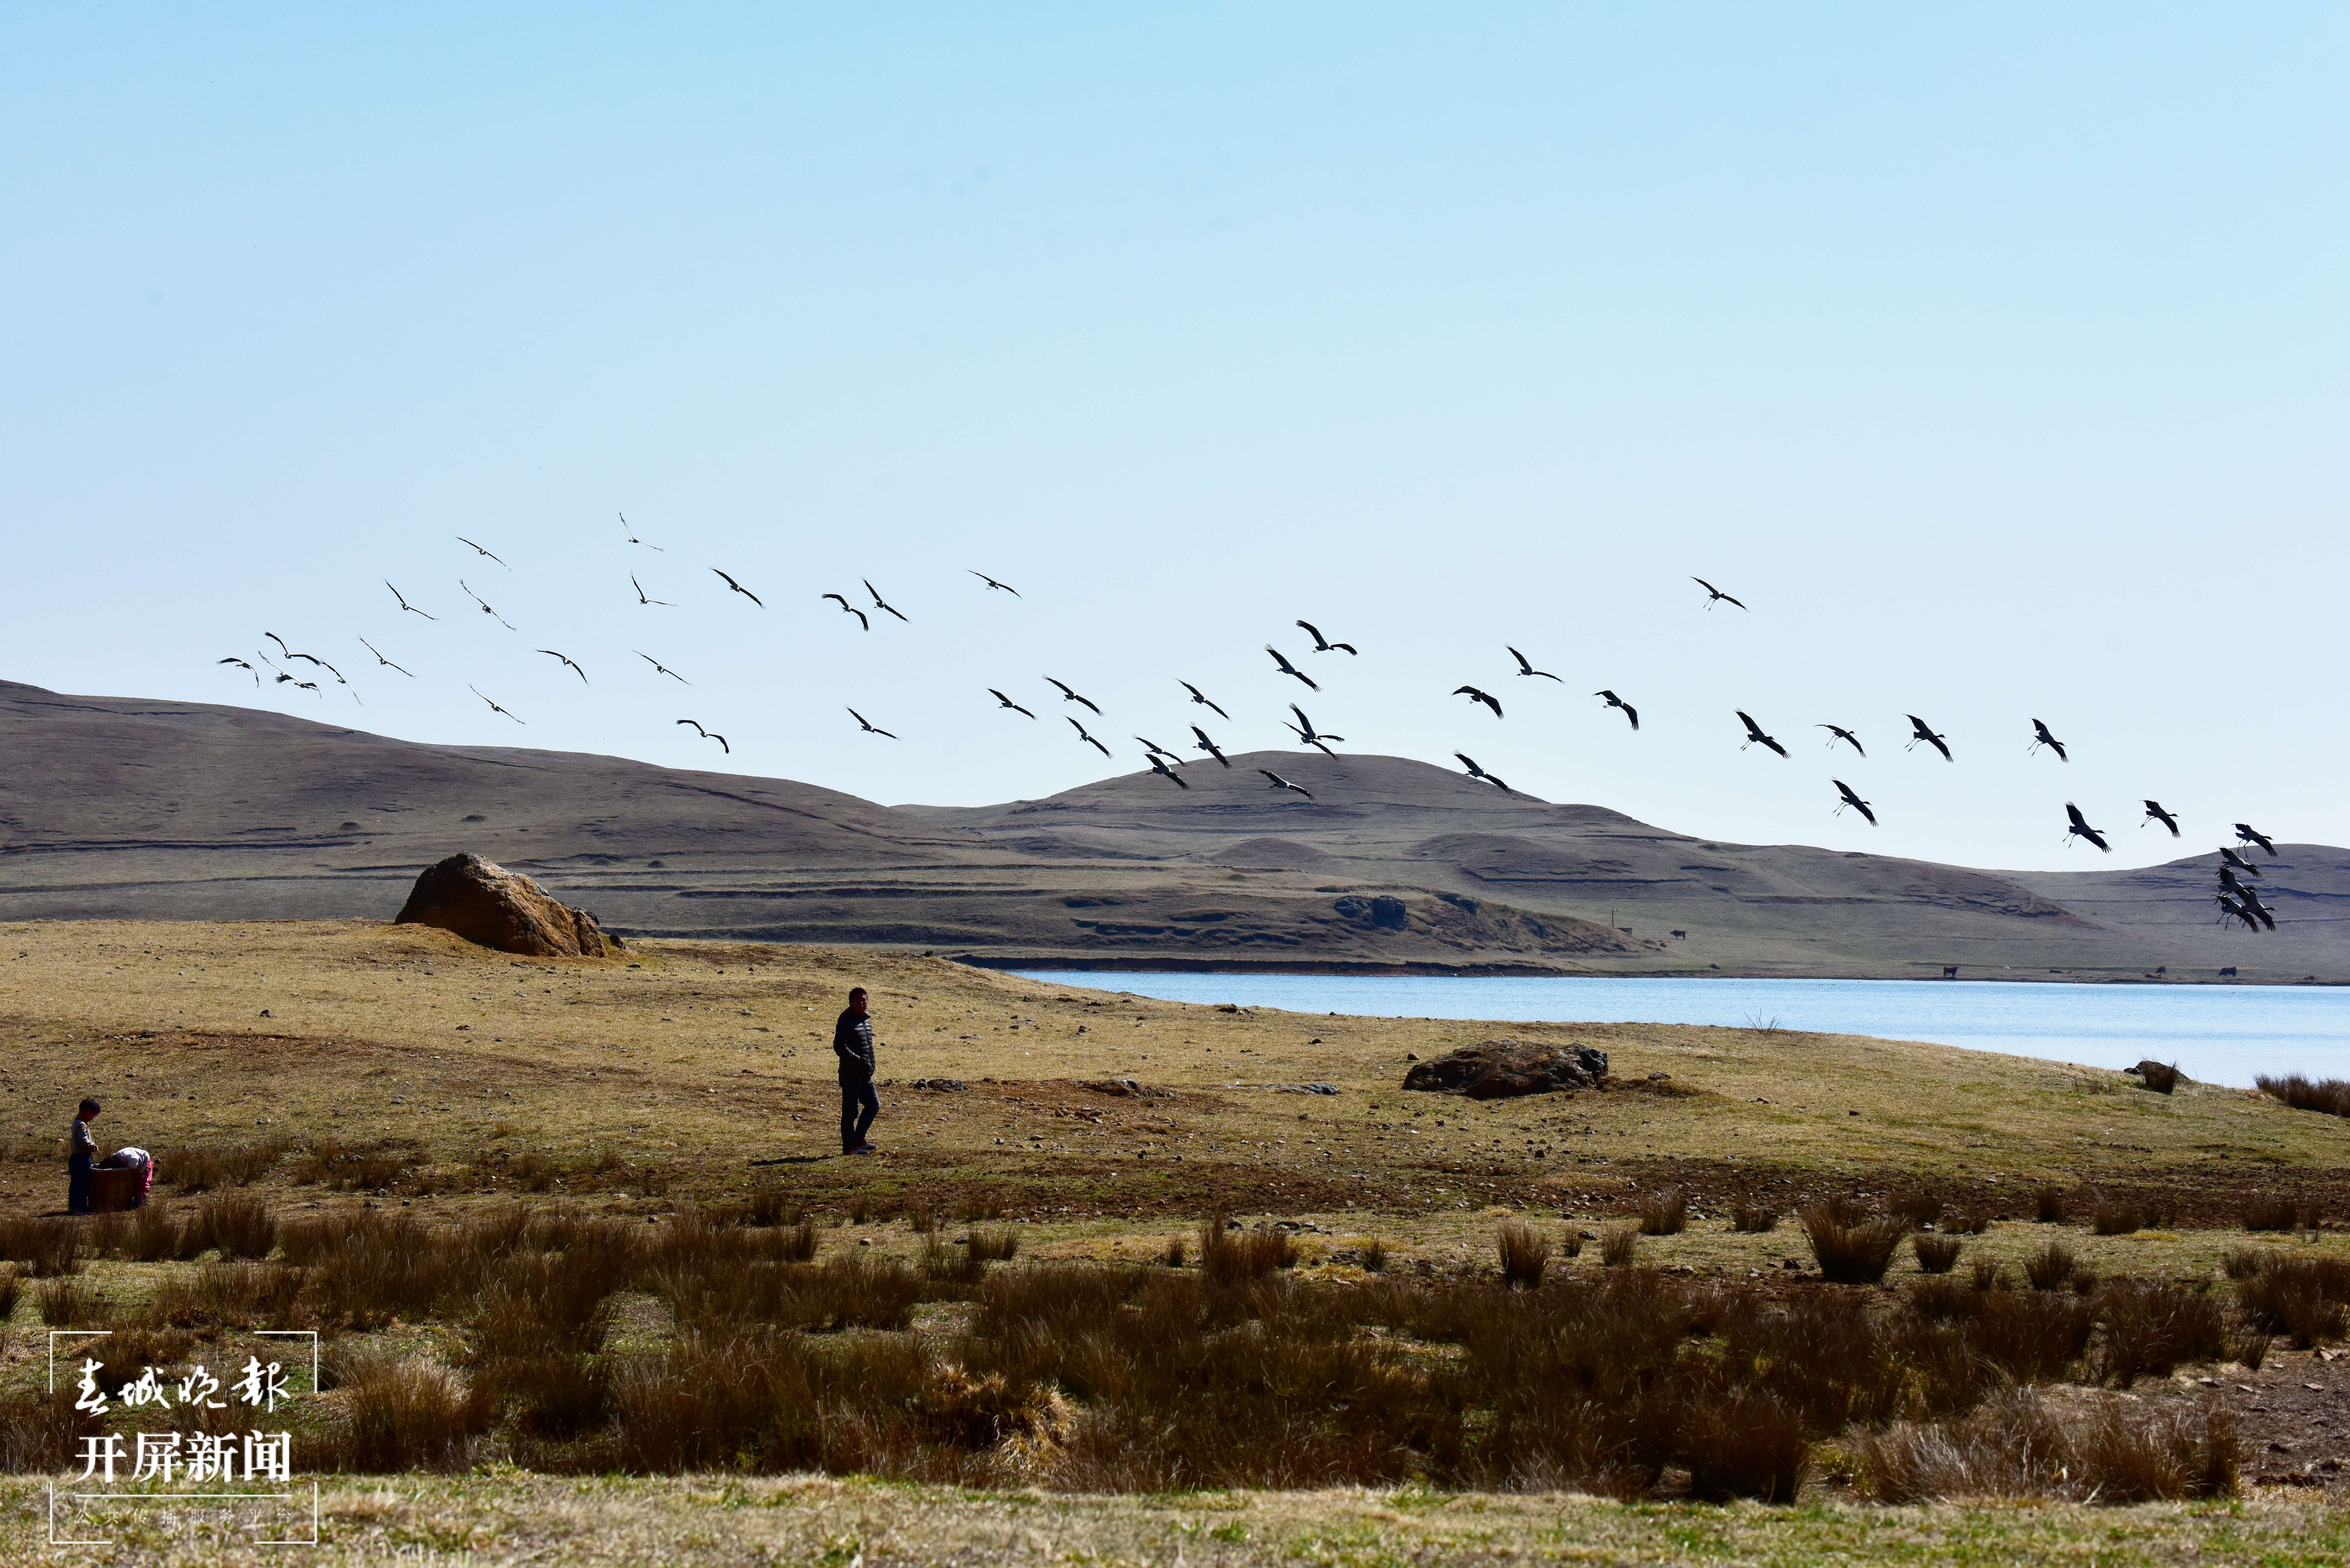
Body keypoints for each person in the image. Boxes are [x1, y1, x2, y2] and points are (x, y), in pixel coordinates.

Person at [832, 986, 879, 1155]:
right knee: (851, 1113)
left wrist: (868, 1065)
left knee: (874, 1105)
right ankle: (849, 1148)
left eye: (864, 1000)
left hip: (865, 1075)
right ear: (851, 1002)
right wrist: (858, 1061)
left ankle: (859, 1139)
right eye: (858, 1000)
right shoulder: (846, 1020)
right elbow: (839, 1046)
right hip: (852, 1075)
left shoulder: (865, 1021)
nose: (862, 1003)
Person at [68, 1098, 100, 1215]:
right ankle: (81, 1207)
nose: (93, 1119)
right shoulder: (82, 1125)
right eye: (93, 1116)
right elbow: (83, 1141)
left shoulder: (76, 1123)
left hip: (75, 1159)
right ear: (87, 1112)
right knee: (83, 1183)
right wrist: (93, 1146)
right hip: (82, 1159)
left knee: (76, 1182)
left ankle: (73, 1205)